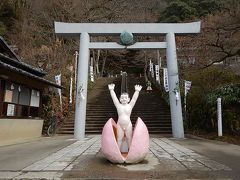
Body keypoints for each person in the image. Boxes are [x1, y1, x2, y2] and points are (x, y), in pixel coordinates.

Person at [108, 83, 142, 151]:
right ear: (120, 99)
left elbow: (134, 99)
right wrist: (111, 90)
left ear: (128, 99)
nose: (124, 99)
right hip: (119, 124)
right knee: (119, 139)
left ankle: (131, 152)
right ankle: (117, 152)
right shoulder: (118, 106)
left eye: (125, 98)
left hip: (128, 124)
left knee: (129, 138)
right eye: (122, 98)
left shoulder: (130, 106)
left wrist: (137, 91)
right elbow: (114, 98)